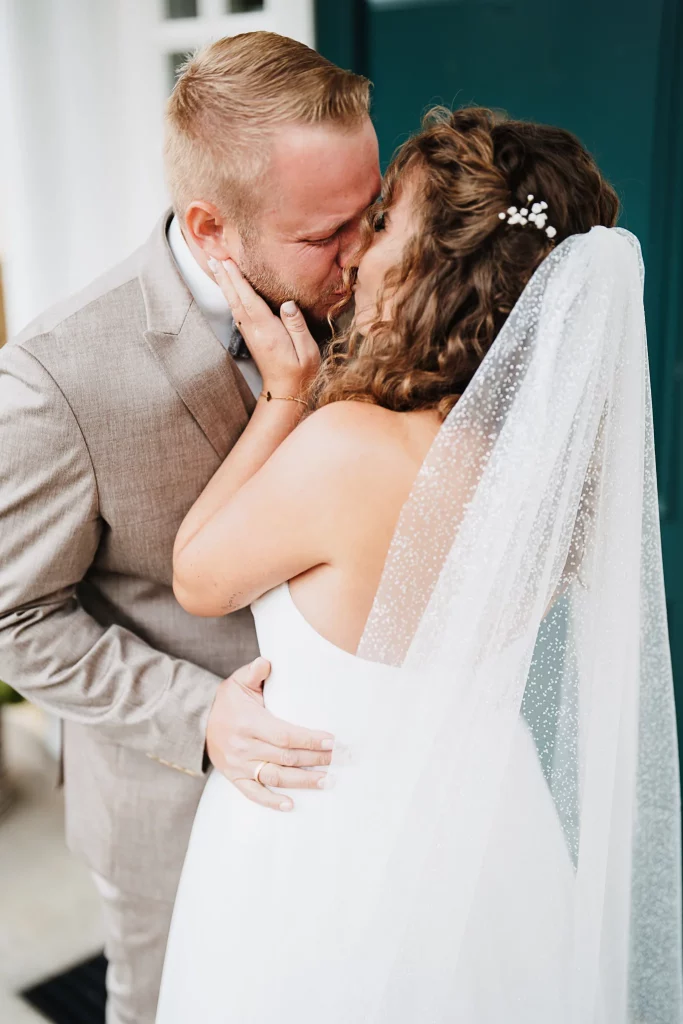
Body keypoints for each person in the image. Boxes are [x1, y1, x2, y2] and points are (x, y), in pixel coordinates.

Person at [156, 107, 683, 1023]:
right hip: (489, 846)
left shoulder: (351, 447)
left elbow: (198, 575)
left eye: (384, 220)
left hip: (323, 849)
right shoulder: (548, 479)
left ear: (444, 262)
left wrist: (286, 394)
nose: (357, 250)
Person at [0, 33, 380, 1024]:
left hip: (357, 782)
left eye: (370, 216)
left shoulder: (376, 300)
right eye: (326, 234)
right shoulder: (58, 375)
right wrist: (200, 715)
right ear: (212, 226)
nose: (365, 256)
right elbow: (17, 618)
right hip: (172, 809)